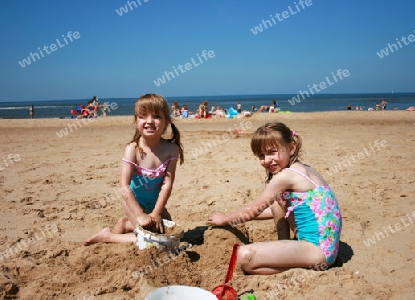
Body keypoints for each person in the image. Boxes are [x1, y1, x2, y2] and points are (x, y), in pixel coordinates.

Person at [207, 122, 342, 275]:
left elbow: (253, 210)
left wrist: (225, 219)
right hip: (327, 249)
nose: (267, 160)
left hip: (317, 251)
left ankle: (295, 265)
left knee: (243, 257)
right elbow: (276, 210)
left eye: (272, 152)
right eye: (261, 156)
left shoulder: (285, 177)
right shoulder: (305, 169)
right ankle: (284, 245)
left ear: (291, 148)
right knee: (278, 203)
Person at [83, 94, 184, 245]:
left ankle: (125, 225)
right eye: (143, 116)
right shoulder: (133, 149)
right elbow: (124, 187)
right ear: (136, 121)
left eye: (156, 116)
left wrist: (156, 212)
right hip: (134, 203)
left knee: (164, 235)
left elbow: (167, 184)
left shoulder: (172, 149)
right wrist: (139, 213)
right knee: (149, 241)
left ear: (167, 122)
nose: (149, 121)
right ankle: (107, 236)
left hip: (156, 204)